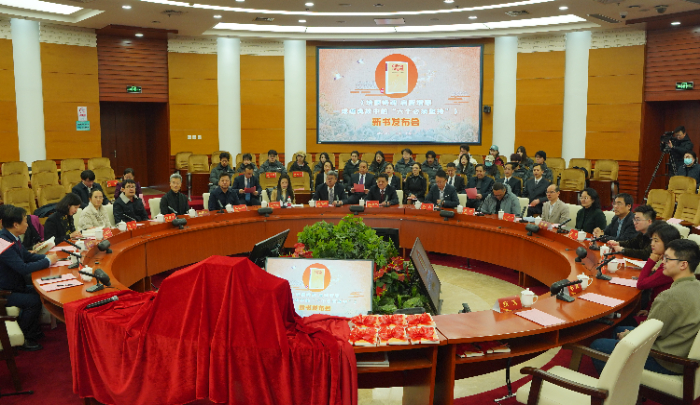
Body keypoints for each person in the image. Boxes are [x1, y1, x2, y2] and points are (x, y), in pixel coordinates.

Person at [590, 239, 700, 376]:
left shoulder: (670, 296)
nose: (663, 262)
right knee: (618, 329)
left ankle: (614, 385)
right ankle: (619, 370)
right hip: (680, 346)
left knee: (597, 345)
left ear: (683, 264)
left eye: (667, 259)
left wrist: (627, 336)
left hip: (666, 359)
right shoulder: (696, 286)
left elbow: (649, 334)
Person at [0, 206, 58, 350]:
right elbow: (23, 268)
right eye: (25, 221)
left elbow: (26, 256)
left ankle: (33, 330)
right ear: (15, 224)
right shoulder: (3, 242)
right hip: (4, 291)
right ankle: (26, 337)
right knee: (33, 301)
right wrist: (48, 261)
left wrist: (47, 258)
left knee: (39, 291)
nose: (28, 224)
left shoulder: (11, 236)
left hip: (15, 285)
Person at [636, 224, 681, 313]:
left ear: (668, 243)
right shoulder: (671, 260)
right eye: (652, 240)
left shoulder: (669, 267)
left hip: (659, 315)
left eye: (656, 241)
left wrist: (651, 260)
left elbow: (641, 284)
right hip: (653, 309)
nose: (652, 244)